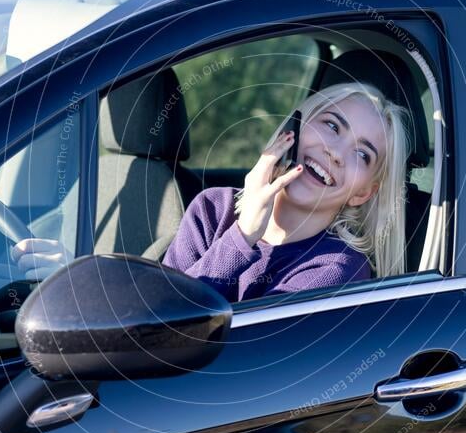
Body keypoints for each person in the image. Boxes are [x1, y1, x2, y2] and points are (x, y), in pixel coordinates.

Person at [161, 82, 411, 303]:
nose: (335, 153)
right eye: (332, 126)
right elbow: (157, 322)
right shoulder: (211, 209)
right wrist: (244, 233)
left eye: (362, 154)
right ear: (294, 128)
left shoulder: (339, 267)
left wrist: (241, 240)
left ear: (363, 193)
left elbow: (256, 350)